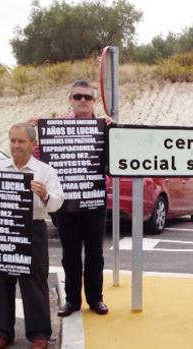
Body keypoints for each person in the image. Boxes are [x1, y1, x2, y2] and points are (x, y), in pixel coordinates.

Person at [29, 80, 111, 317]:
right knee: (70, 254)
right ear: (70, 99)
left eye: (87, 97)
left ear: (94, 101)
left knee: (95, 253)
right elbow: (37, 157)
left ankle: (96, 299)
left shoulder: (104, 127)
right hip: (65, 202)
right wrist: (32, 129)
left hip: (94, 200)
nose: (83, 101)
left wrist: (116, 131)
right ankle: (72, 300)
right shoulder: (54, 128)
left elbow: (117, 159)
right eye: (78, 97)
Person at [0, 123, 64, 349]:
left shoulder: (45, 171)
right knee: (1, 281)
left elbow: (58, 203)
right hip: (3, 230)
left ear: (33, 144)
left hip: (33, 229)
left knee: (34, 282)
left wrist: (45, 194)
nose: (16, 146)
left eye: (21, 141)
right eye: (13, 141)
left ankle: (39, 334)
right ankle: (2, 333)